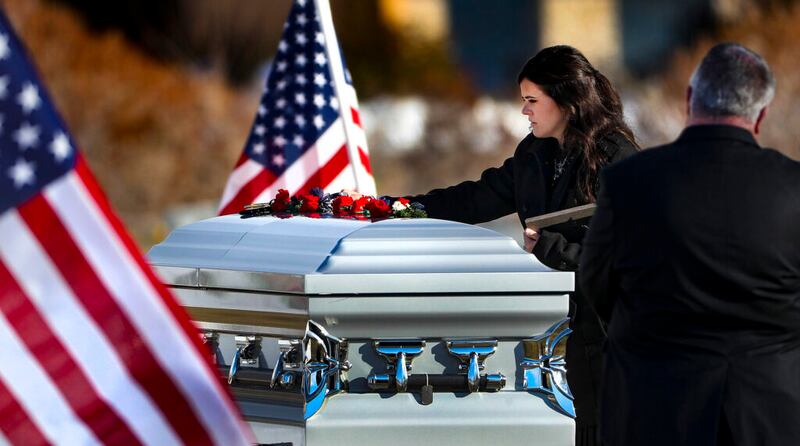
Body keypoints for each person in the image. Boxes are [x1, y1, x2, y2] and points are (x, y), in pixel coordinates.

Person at [405, 45, 639, 445]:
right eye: (522, 100)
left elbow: (632, 260)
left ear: (567, 101)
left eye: (532, 100)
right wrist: (404, 208)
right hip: (577, 332)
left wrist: (556, 251)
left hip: (621, 334)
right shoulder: (535, 153)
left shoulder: (617, 157)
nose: (524, 111)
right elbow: (476, 198)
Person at [580, 42, 800, 446]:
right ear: (761, 114)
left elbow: (597, 284)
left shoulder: (630, 182)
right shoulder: (793, 187)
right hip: (769, 411)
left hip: (656, 407)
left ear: (689, 99)